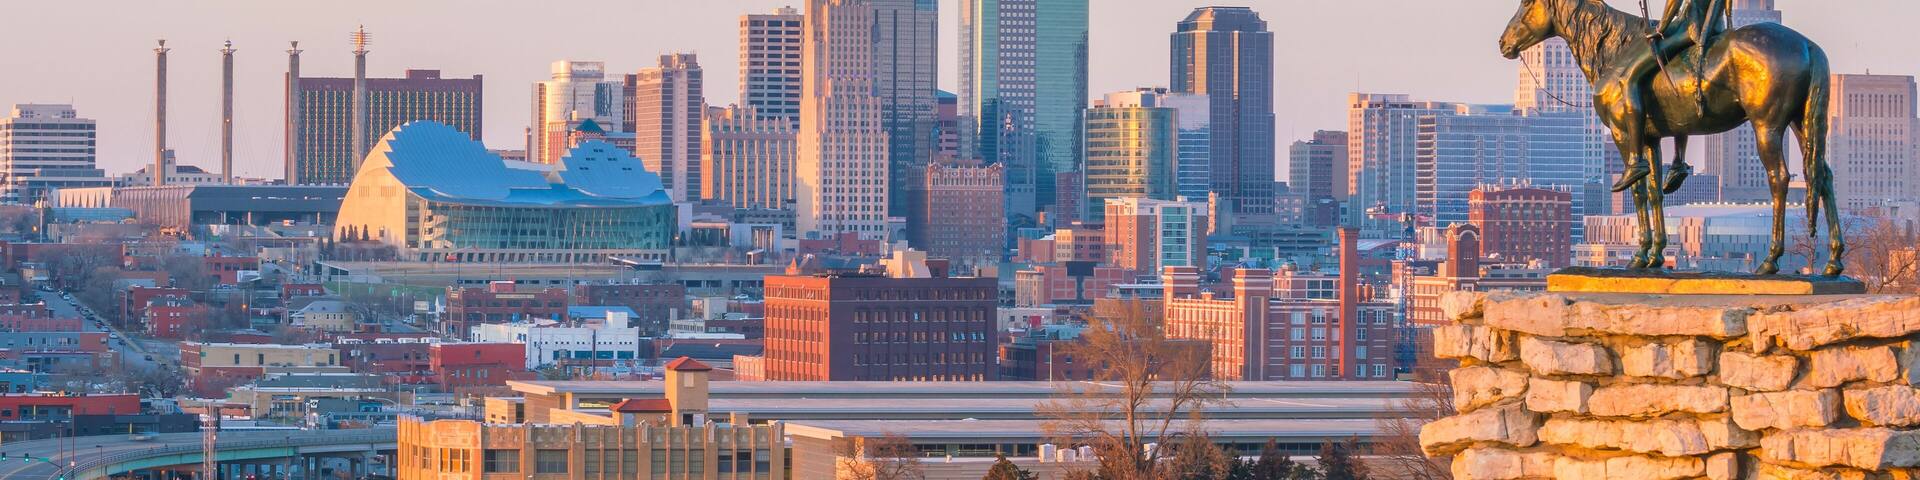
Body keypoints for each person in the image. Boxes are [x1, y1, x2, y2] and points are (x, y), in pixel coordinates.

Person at [1611, 0, 1731, 192]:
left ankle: (1635, 160)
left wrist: (1660, 28)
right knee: (1674, 82)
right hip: (1717, 28)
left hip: (1690, 29)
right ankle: (1678, 161)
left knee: (1628, 79)